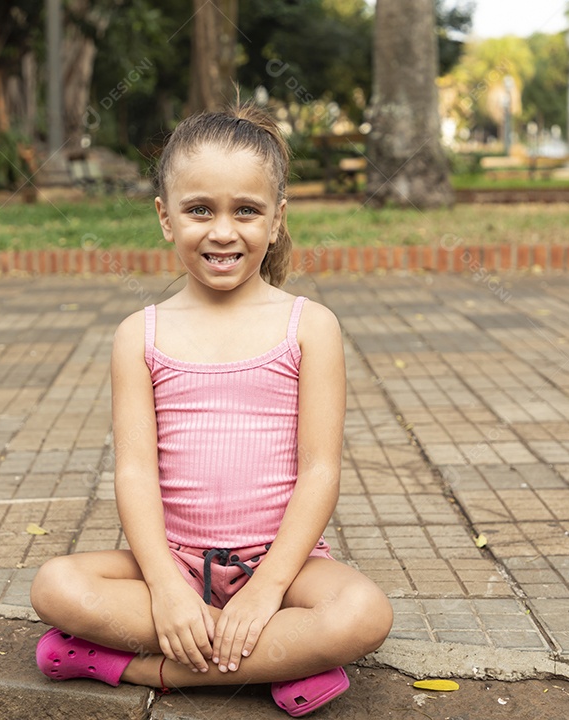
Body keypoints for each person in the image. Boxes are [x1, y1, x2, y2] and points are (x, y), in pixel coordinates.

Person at [29, 103, 394, 717]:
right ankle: (276, 662)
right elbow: (135, 474)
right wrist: (169, 591)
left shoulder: (310, 327)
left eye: (246, 211)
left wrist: (267, 591)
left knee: (363, 613)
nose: (222, 231)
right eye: (200, 210)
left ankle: (148, 669)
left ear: (276, 220)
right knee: (55, 586)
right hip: (171, 563)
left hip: (285, 566)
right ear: (165, 218)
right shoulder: (138, 336)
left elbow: (320, 473)